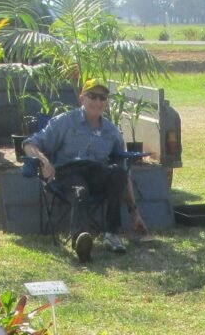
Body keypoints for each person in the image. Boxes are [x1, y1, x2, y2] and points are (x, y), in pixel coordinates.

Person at [23, 78, 150, 258]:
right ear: (82, 98)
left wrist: (134, 211)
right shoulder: (64, 122)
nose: (98, 101)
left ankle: (112, 234)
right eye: (92, 96)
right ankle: (81, 239)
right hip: (68, 172)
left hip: (96, 172)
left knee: (117, 172)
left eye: (102, 97)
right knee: (79, 190)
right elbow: (29, 144)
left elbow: (124, 170)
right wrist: (44, 162)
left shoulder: (112, 131)